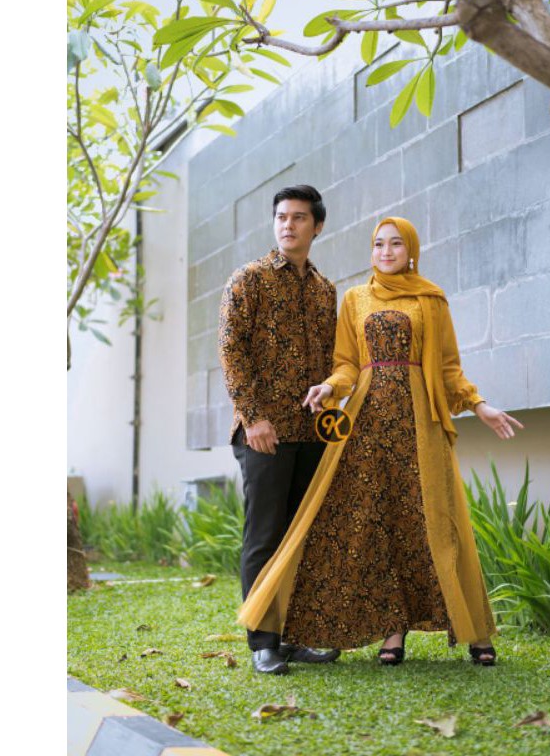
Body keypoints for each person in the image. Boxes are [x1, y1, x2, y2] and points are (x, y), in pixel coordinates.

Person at [237, 216, 524, 667]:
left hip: (420, 425)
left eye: (395, 244)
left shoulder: (431, 299)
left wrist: (478, 404)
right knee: (381, 525)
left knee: (438, 521)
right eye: (378, 244)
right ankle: (393, 631)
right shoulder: (355, 299)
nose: (386, 252)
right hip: (367, 425)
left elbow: (448, 368)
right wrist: (331, 387)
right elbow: (347, 364)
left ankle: (475, 631)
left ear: (411, 251)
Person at [218, 185, 342, 675]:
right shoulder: (248, 280)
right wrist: (253, 417)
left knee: (301, 537)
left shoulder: (324, 290)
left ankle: (294, 636)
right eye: (281, 217)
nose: (288, 225)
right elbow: (231, 350)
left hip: (311, 433)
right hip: (263, 433)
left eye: (298, 218)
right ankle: (263, 641)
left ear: (317, 226)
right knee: (265, 536)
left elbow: (331, 357)